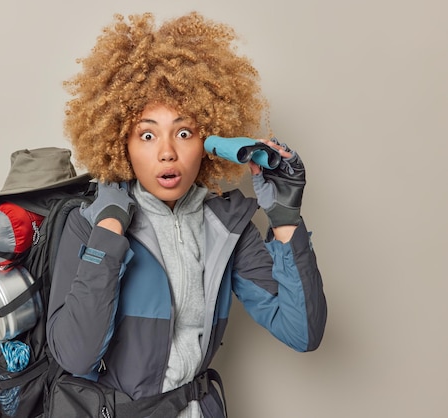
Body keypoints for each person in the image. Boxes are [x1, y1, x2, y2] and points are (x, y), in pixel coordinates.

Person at [46, 12, 327, 418]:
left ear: (208, 140)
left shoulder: (227, 227)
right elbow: (76, 356)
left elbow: (302, 333)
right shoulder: (88, 223)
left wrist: (284, 217)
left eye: (183, 132)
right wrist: (109, 228)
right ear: (119, 142)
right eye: (147, 134)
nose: (166, 152)